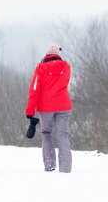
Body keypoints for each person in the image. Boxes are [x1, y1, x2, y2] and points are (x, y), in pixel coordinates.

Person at [25, 44, 73, 172]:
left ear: (47, 54)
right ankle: (65, 168)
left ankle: (50, 165)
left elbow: (34, 89)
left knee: (46, 133)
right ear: (58, 54)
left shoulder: (41, 68)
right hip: (64, 105)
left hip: (46, 107)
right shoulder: (66, 67)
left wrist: (30, 110)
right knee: (63, 135)